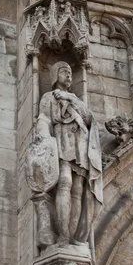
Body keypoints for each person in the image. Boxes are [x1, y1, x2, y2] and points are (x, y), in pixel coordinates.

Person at [35, 62, 102, 245]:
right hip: (61, 139)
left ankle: (72, 235)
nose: (69, 75)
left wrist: (69, 98)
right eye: (65, 72)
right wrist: (42, 134)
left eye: (71, 72)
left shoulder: (74, 99)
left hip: (80, 142)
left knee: (78, 189)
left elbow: (88, 118)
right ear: (56, 75)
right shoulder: (49, 97)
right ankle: (63, 233)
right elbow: (44, 118)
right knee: (64, 180)